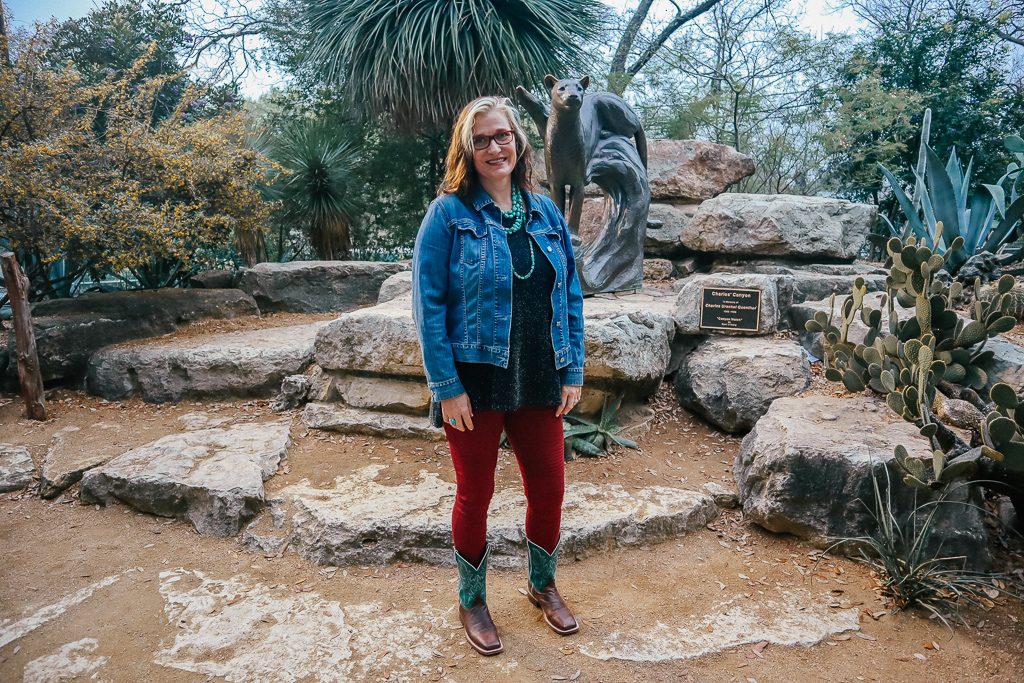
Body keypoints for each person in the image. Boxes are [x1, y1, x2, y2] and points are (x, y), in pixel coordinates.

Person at [412, 96, 585, 656]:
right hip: (475, 381)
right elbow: (428, 305)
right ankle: (472, 598)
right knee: (476, 493)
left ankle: (541, 583)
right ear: (467, 149)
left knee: (550, 488)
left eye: (502, 135)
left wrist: (572, 367)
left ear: (519, 141)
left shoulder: (543, 211)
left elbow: (572, 295)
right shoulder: (448, 215)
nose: (494, 147)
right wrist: (447, 387)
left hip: (540, 372)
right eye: (482, 139)